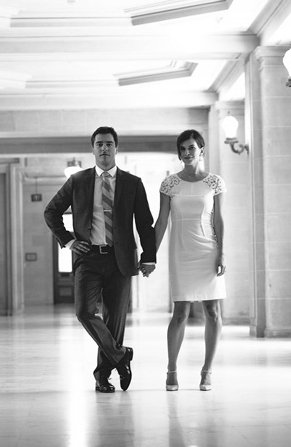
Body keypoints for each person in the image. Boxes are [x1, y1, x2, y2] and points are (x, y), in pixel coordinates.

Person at [44, 126, 157, 393]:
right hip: (89, 258)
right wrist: (69, 240)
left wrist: (149, 256)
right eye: (99, 144)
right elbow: (51, 212)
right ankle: (121, 356)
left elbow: (145, 222)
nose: (104, 148)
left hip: (120, 260)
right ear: (92, 149)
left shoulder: (132, 183)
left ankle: (102, 376)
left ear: (116, 148)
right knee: (84, 311)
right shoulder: (79, 181)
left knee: (114, 321)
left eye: (109, 144)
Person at [154, 129, 226, 391]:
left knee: (212, 311)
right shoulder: (169, 184)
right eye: (182, 148)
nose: (186, 153)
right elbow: (161, 221)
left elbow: (219, 220)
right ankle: (171, 370)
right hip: (180, 250)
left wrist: (222, 252)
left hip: (208, 249)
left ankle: (207, 371)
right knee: (181, 312)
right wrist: (150, 255)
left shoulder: (215, 182)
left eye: (191, 148)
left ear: (201, 150)